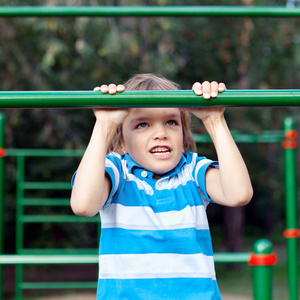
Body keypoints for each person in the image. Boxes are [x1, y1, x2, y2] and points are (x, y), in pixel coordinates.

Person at [70, 74, 253, 300]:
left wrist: (214, 121)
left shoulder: (192, 171)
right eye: (142, 124)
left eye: (171, 122)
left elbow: (239, 194)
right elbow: (83, 205)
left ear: (183, 135)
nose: (160, 133)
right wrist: (105, 125)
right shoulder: (118, 172)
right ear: (121, 142)